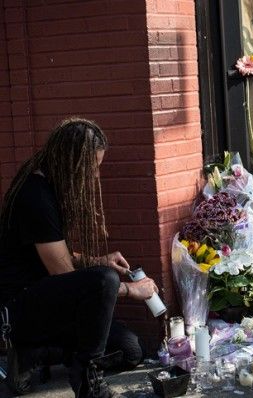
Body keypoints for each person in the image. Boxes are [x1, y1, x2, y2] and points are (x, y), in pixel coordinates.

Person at [0, 118, 159, 397]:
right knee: (104, 281)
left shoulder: (53, 185)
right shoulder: (35, 196)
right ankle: (86, 380)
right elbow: (63, 275)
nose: (95, 176)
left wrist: (99, 260)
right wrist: (129, 289)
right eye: (92, 167)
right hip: (23, 307)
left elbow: (61, 255)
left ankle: (38, 353)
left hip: (51, 302)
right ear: (72, 162)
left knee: (132, 349)